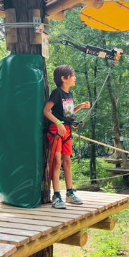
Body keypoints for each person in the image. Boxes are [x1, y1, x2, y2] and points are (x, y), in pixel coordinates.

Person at [43, 65, 90, 209]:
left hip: (67, 131)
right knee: (57, 162)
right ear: (64, 78)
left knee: (67, 161)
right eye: (72, 75)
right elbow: (46, 111)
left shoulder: (70, 94)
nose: (75, 78)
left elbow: (67, 114)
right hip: (57, 131)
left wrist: (80, 106)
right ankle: (56, 195)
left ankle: (70, 193)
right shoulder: (57, 93)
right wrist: (58, 123)